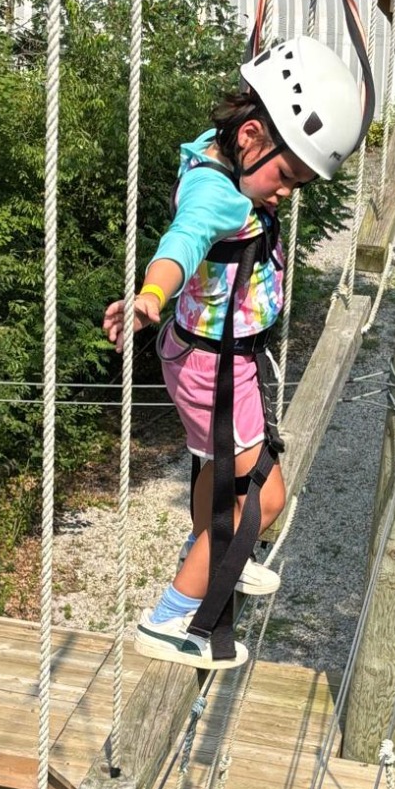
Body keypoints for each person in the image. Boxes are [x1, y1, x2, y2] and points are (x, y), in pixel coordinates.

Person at [103, 35, 365, 670]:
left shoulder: (222, 154)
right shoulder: (217, 194)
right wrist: (149, 294)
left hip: (213, 359)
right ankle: (170, 619)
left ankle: (212, 549)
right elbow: (184, 239)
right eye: (287, 175)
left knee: (221, 474)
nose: (286, 193)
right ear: (251, 137)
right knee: (260, 500)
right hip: (213, 367)